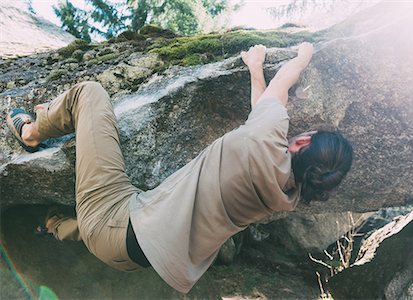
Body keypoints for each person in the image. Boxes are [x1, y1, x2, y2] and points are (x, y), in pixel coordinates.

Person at [6, 42, 352, 293]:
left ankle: (32, 130)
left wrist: (301, 55)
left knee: (89, 94)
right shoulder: (285, 197)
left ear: (303, 142)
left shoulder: (264, 139)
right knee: (89, 227)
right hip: (139, 256)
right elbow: (262, 109)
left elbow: (279, 91)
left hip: (118, 222)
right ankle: (53, 225)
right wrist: (254, 70)